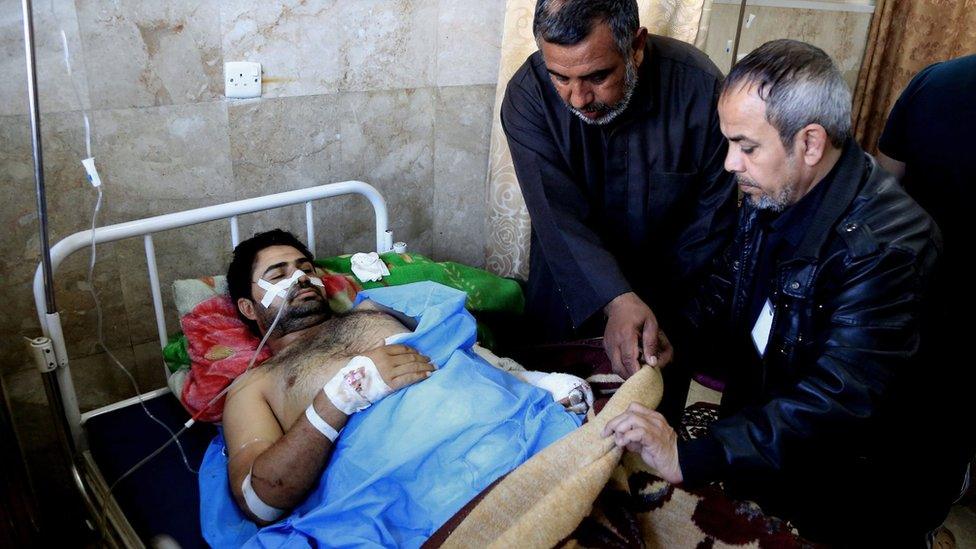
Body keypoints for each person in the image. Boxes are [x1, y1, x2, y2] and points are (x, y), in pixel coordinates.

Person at [605, 40, 956, 545]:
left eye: (746, 147)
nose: (730, 164)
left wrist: (695, 455)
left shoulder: (887, 249)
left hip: (853, 487)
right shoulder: (775, 188)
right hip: (772, 446)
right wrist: (672, 336)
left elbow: (837, 400)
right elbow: (730, 282)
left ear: (809, 143)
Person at [203, 230, 585, 547]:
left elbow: (462, 347)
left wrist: (536, 381)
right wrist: (342, 396)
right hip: (421, 496)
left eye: (305, 268)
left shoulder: (375, 310)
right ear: (250, 308)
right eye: (278, 273)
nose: (301, 277)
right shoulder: (255, 386)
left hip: (520, 435)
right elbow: (261, 500)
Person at [500, 0, 737, 419]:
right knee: (557, 430)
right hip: (568, 295)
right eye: (561, 77)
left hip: (671, 304)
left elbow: (711, 225)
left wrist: (668, 324)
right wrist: (615, 300)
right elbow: (558, 218)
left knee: (651, 441)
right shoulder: (529, 95)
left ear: (637, 47)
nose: (578, 97)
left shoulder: (701, 91)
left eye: (598, 76)